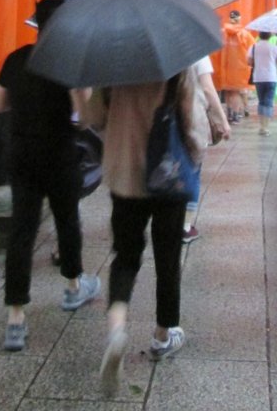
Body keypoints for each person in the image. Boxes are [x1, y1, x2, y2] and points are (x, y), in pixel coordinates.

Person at [0, 0, 101, 352]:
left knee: (22, 231)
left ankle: (15, 319)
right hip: (59, 155)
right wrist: (79, 94)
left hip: (21, 154)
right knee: (67, 221)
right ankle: (72, 287)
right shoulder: (70, 64)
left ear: (36, 24)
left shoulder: (16, 58)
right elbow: (85, 118)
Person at [96, 66, 208, 397]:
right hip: (167, 172)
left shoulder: (111, 62)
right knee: (168, 257)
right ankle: (162, 334)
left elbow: (95, 117)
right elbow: (192, 118)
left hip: (124, 173)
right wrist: (198, 152)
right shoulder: (175, 63)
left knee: (126, 257)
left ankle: (117, 328)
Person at [182, 55, 231, 243]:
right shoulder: (196, 51)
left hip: (163, 120)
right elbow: (208, 89)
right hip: (192, 118)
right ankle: (185, 226)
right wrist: (222, 120)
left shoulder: (157, 50)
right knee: (193, 171)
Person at [215, 10, 253, 123]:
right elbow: (251, 50)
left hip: (224, 68)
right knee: (236, 93)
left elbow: (216, 50)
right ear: (239, 19)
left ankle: (229, 114)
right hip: (239, 70)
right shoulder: (245, 34)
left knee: (227, 92)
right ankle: (236, 115)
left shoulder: (222, 33)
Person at [247, 31, 277, 135]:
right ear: (269, 36)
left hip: (258, 77)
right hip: (271, 77)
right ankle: (266, 127)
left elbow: (249, 62)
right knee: (268, 101)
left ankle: (261, 126)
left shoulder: (253, 47)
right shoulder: (274, 47)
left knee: (261, 101)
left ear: (259, 36)